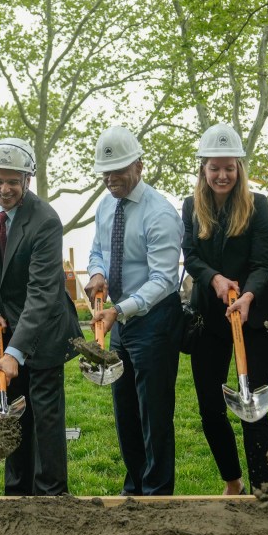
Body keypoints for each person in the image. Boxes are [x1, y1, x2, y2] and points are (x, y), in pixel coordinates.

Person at [0, 138, 80, 496]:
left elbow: (42, 293)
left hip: (45, 327)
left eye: (12, 182)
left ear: (28, 181)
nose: (3, 189)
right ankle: (17, 494)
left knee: (45, 416)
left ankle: (52, 496)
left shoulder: (46, 221)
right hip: (7, 325)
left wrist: (16, 352)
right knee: (12, 415)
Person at [85, 126, 182, 496]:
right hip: (121, 318)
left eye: (119, 171)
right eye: (106, 173)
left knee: (153, 412)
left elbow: (162, 280)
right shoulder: (106, 206)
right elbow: (97, 249)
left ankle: (157, 493)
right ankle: (135, 486)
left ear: (139, 166)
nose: (112, 180)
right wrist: (96, 273)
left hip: (155, 320)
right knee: (124, 409)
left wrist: (118, 311)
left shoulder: (160, 214)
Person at [181, 124, 268, 496]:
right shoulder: (192, 207)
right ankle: (232, 480)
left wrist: (248, 295)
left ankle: (263, 488)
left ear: (240, 169)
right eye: (215, 167)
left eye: (230, 167)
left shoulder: (259, 206)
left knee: (253, 403)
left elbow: (261, 263)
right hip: (209, 320)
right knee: (210, 408)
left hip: (251, 319)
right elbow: (190, 256)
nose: (222, 175)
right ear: (204, 168)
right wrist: (216, 280)